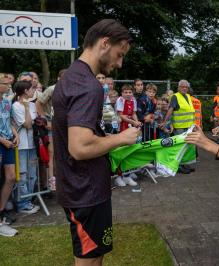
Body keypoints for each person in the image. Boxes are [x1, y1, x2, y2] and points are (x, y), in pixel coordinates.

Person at [52, 19, 140, 265]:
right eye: (119, 54)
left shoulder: (73, 77)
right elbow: (80, 147)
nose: (120, 63)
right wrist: (120, 138)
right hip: (84, 191)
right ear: (104, 43)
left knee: (93, 256)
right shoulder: (87, 85)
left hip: (81, 187)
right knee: (89, 260)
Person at [36, 69, 67, 191]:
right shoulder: (51, 89)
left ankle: (63, 178)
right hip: (51, 122)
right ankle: (51, 180)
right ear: (59, 78)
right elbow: (38, 103)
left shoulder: (71, 89)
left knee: (64, 151)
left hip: (64, 123)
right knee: (51, 152)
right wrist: (45, 120)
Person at [12, 80, 40, 214]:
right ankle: (21, 203)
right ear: (25, 91)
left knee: (32, 174)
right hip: (22, 145)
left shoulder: (32, 105)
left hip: (32, 144)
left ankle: (28, 200)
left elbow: (34, 122)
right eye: (31, 89)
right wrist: (27, 109)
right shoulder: (16, 106)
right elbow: (28, 124)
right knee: (22, 174)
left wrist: (29, 108)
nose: (33, 91)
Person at [162, 80, 195, 174]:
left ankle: (185, 164)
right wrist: (165, 122)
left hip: (189, 126)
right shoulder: (175, 97)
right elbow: (170, 109)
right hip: (179, 127)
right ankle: (179, 166)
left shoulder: (188, 96)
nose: (184, 88)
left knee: (187, 147)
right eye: (182, 87)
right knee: (180, 146)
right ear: (178, 87)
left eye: (186, 87)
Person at [0, 74, 19, 237]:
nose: (8, 86)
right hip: (1, 143)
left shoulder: (6, 102)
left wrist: (15, 134)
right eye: (5, 84)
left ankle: (1, 212)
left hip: (8, 143)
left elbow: (9, 121)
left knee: (11, 177)